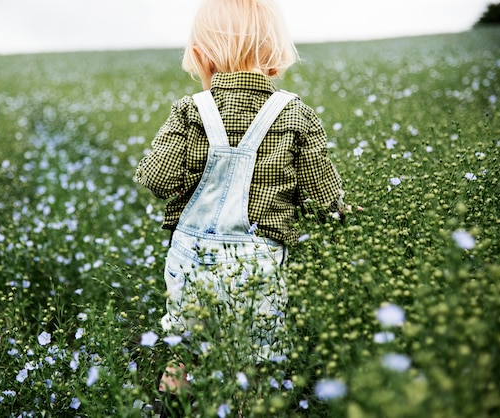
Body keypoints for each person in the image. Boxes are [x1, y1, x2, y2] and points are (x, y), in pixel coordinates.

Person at [135, 0, 346, 408]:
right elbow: (323, 200)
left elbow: (156, 180)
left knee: (187, 351)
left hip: (191, 262)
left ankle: (174, 408)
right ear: (276, 55)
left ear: (199, 56)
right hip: (258, 268)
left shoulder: (188, 112)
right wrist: (339, 211)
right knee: (257, 364)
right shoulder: (296, 115)